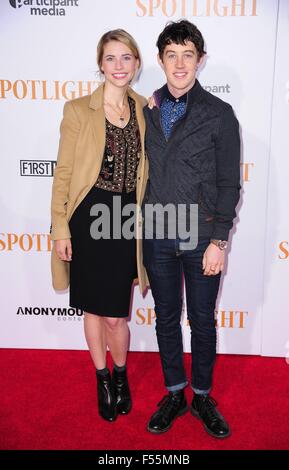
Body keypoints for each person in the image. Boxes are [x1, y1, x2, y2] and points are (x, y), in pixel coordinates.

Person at [142, 20, 240, 438]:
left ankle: (202, 395)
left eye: (188, 55)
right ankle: (175, 392)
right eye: (171, 55)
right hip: (155, 232)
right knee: (165, 317)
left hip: (201, 235)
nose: (179, 64)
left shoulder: (219, 114)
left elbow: (228, 183)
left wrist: (219, 240)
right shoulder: (144, 109)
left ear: (200, 61)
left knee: (201, 318)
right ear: (161, 60)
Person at [50, 29, 148, 422]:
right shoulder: (77, 110)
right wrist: (60, 228)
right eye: (111, 58)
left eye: (126, 58)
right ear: (100, 64)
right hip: (88, 219)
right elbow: (64, 174)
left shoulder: (146, 109)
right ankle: (103, 378)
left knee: (116, 315)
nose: (119, 66)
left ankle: (121, 376)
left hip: (126, 220)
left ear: (137, 64)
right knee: (94, 309)